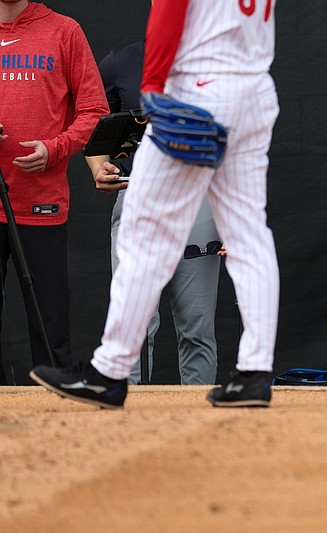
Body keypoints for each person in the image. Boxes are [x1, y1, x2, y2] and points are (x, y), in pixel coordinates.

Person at [30, 0, 280, 408]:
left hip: (196, 89)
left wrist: (154, 89)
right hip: (253, 89)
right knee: (249, 230)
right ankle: (255, 373)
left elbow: (171, 8)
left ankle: (109, 373)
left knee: (142, 232)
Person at [87, 39, 221, 385]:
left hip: (200, 201)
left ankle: (201, 431)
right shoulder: (121, 62)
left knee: (197, 326)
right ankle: (129, 427)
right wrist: (101, 168)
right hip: (137, 200)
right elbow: (98, 130)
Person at [0, 0, 108, 384]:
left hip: (40, 201)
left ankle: (55, 417)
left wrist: (55, 148)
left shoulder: (64, 31)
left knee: (49, 326)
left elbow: (95, 110)